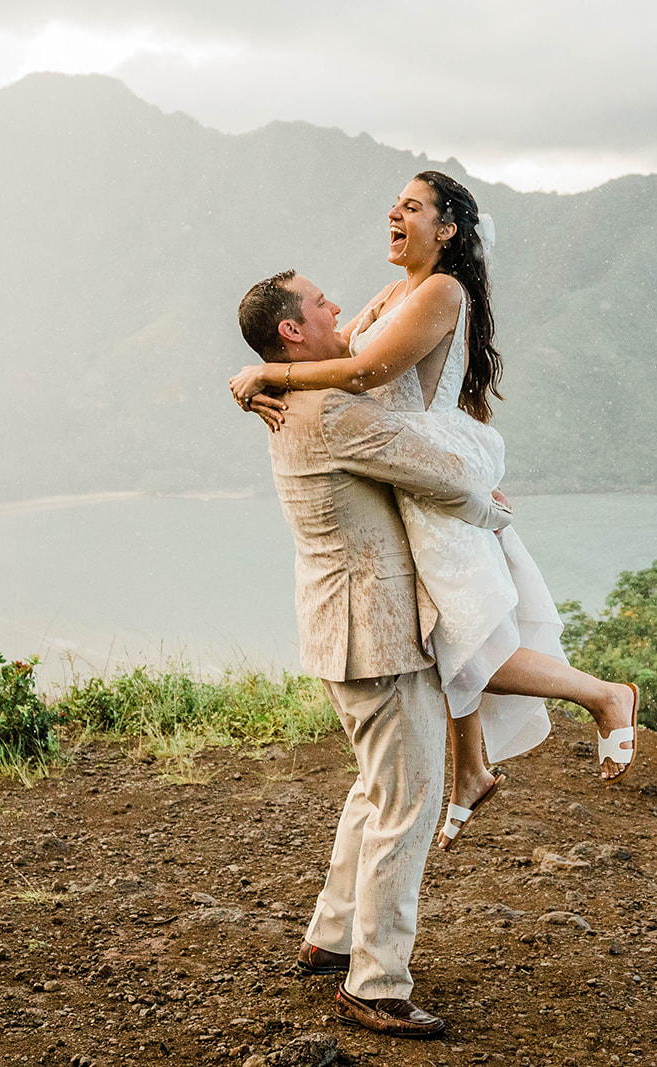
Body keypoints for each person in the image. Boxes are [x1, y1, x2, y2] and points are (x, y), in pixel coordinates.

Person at [230, 173, 639, 850]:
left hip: (427, 462)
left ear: (446, 231)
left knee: (464, 633)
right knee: (447, 622)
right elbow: (328, 351)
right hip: (403, 464)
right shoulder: (393, 292)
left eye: (412, 207)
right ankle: (471, 769)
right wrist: (250, 380)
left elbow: (362, 374)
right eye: (395, 203)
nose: (395, 211)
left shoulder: (443, 292)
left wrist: (271, 376)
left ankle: (603, 696)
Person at [236, 268, 514, 1037]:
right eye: (321, 301)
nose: (338, 307)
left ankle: (330, 937)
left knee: (374, 788)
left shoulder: (290, 396)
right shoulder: (329, 410)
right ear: (292, 331)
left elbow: (358, 347)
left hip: (336, 626)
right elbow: (442, 469)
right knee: (409, 803)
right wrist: (487, 509)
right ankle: (376, 982)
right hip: (376, 634)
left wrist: (252, 371)